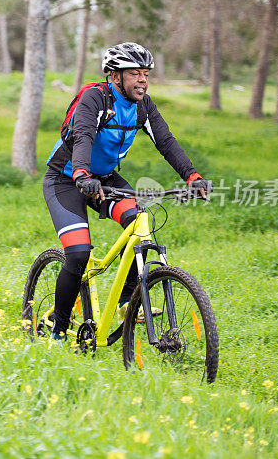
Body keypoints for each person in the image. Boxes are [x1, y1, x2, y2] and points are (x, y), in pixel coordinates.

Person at [42, 42, 212, 341]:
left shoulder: (143, 105)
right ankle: (57, 329)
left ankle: (125, 303)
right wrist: (81, 172)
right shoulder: (96, 98)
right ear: (114, 76)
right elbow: (83, 135)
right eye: (135, 73)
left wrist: (192, 176)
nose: (143, 80)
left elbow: (166, 142)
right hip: (67, 179)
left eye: (146, 73)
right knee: (79, 253)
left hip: (105, 179)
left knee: (138, 223)